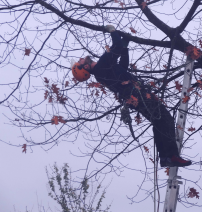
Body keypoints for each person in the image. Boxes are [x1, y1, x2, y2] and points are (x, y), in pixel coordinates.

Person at [72, 25, 191, 167]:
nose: (81, 59)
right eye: (80, 62)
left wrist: (125, 48)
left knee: (159, 121)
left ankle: (165, 157)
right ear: (85, 67)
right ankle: (171, 156)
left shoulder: (101, 73)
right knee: (165, 118)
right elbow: (115, 46)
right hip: (136, 94)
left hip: (133, 97)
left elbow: (122, 67)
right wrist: (113, 32)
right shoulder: (101, 66)